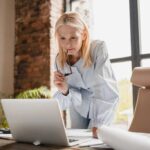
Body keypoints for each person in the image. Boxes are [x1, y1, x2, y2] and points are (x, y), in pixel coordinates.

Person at [53, 12, 119, 138]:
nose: (68, 44)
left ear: (83, 35)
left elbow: (105, 90)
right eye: (63, 38)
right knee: (76, 141)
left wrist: (100, 123)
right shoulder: (59, 60)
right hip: (79, 108)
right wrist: (64, 91)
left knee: (95, 141)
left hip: (103, 105)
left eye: (73, 38)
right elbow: (67, 99)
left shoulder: (98, 49)